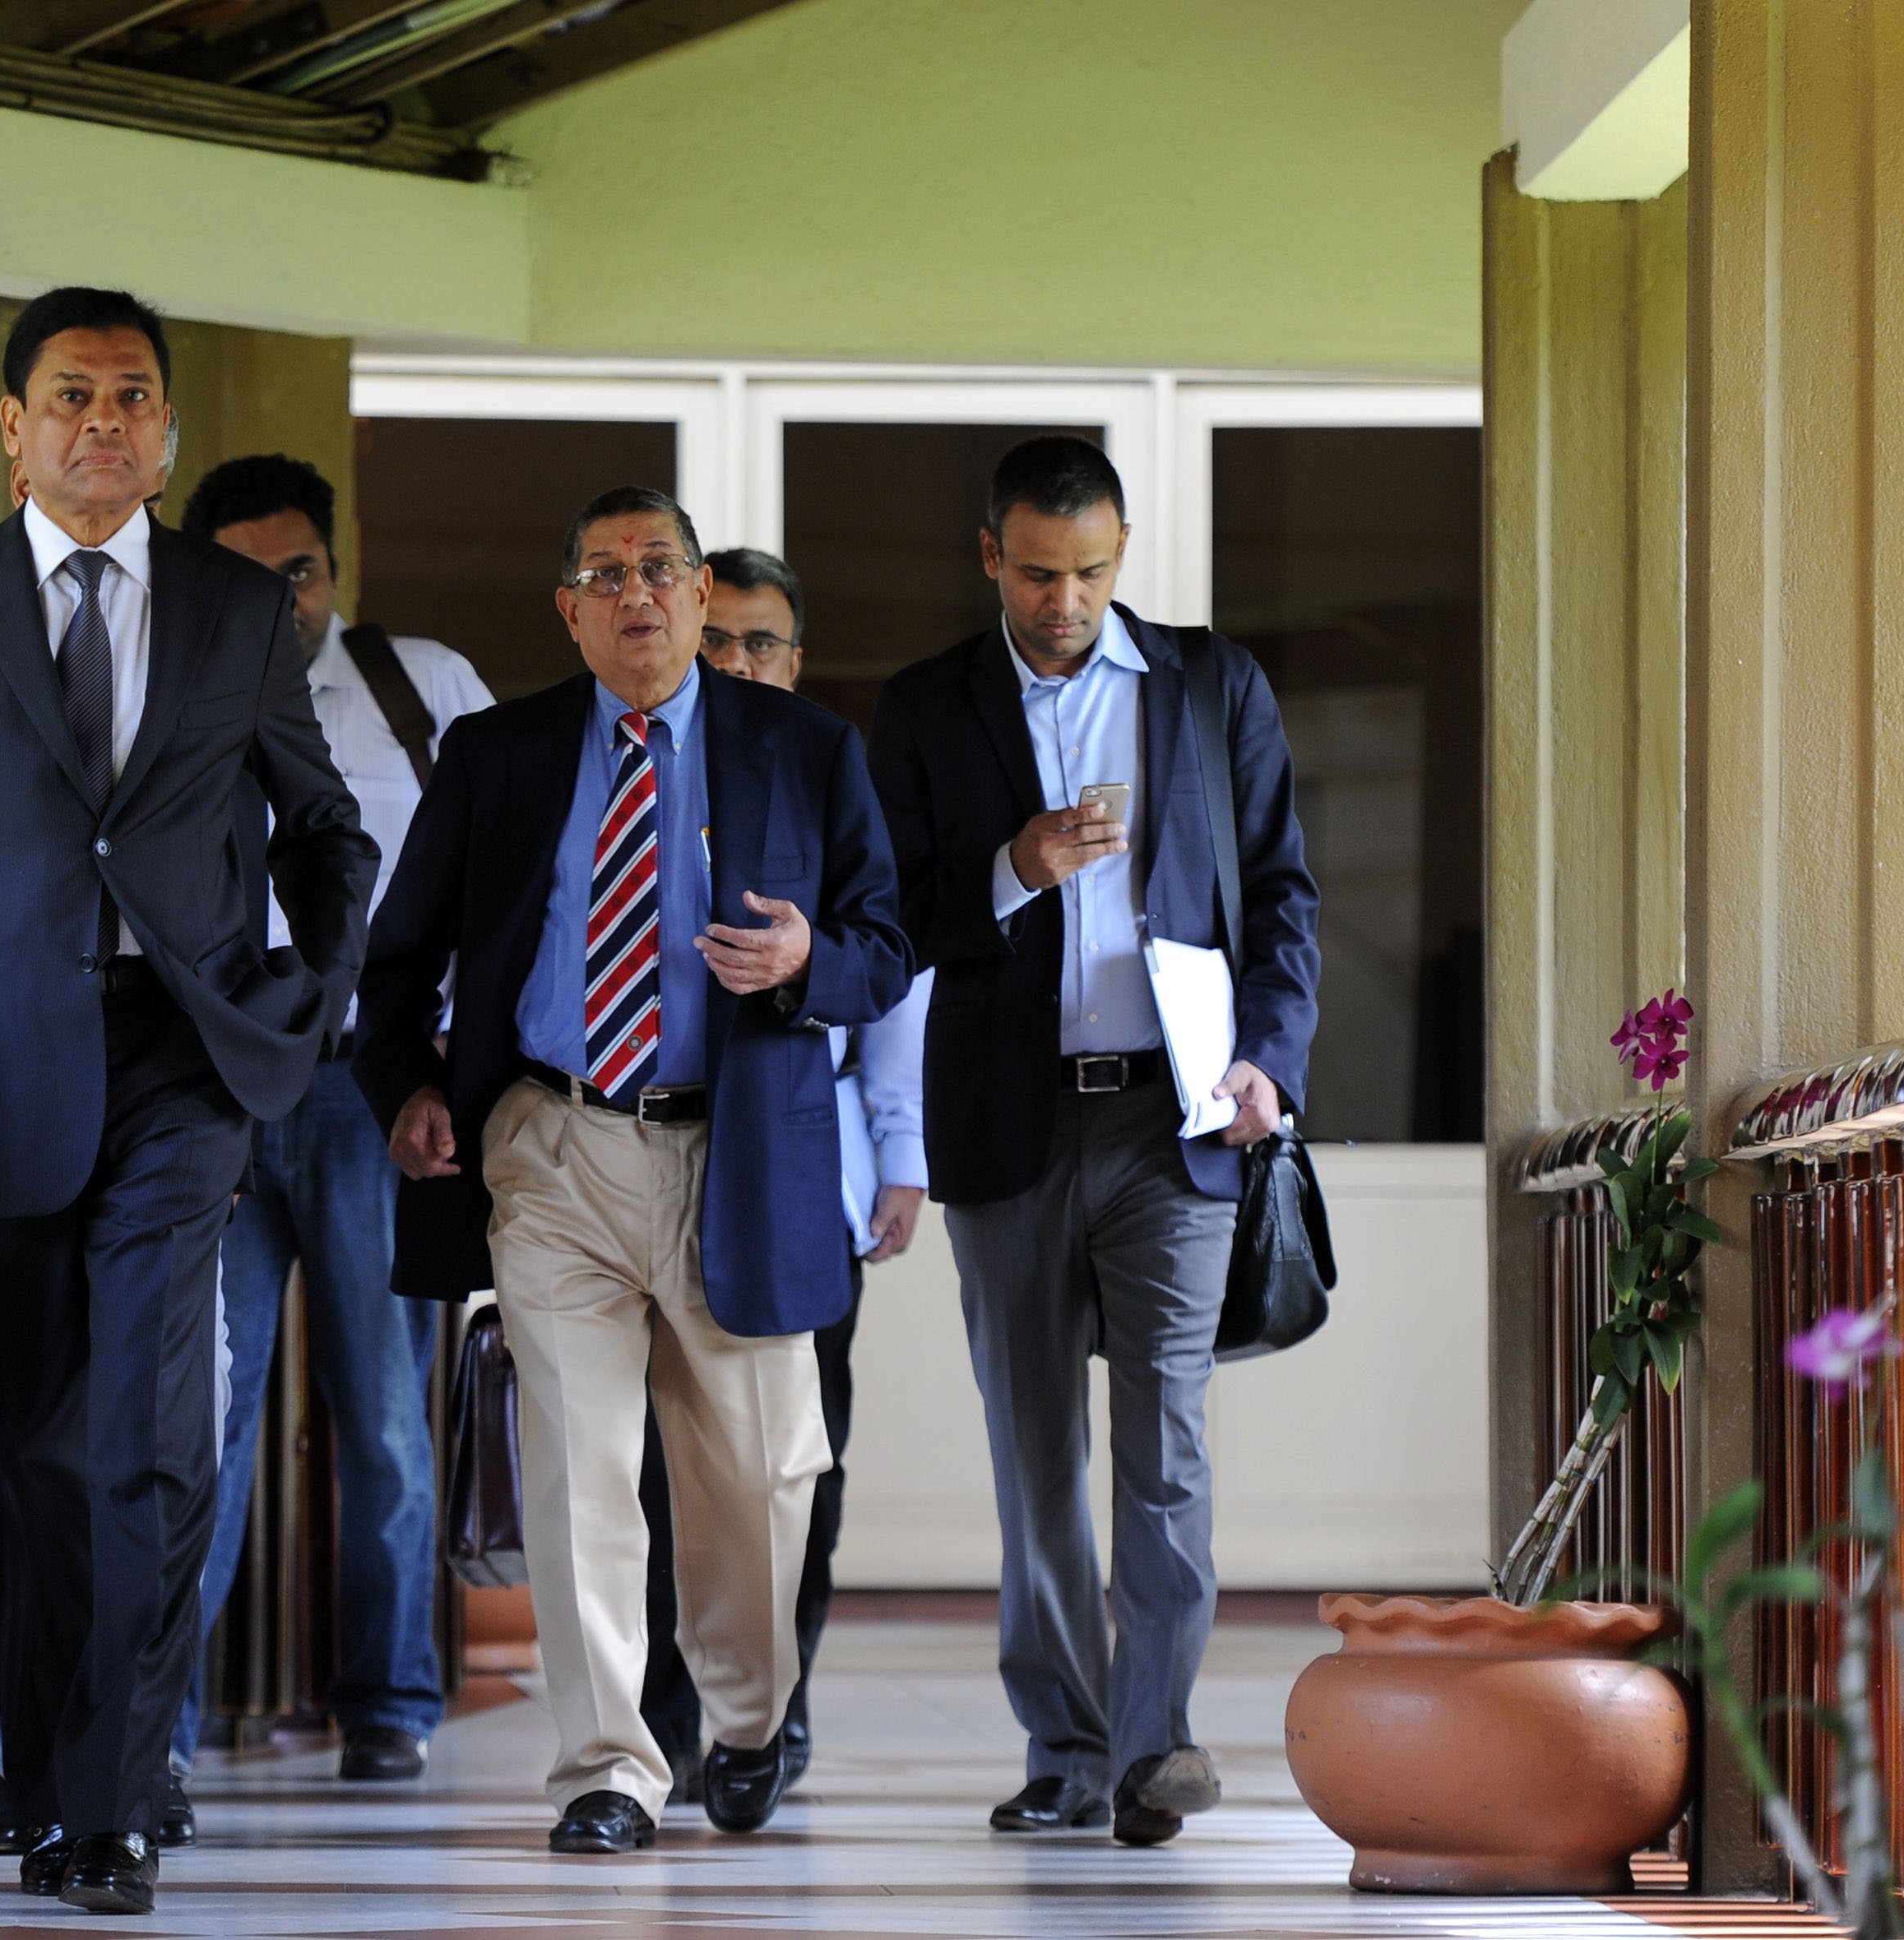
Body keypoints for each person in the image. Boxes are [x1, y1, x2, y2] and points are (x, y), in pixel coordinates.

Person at [0, 286, 377, 1915]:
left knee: (147, 1436)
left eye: (132, 397)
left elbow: (329, 837)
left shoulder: (234, 613)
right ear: (11, 426)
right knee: (15, 1455)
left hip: (180, 1069)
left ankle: (115, 1796)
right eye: (71, 396)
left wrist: (294, 1002)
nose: (103, 422)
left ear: (166, 430)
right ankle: (44, 1771)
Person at [354, 486, 910, 1856]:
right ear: (570, 611)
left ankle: (746, 1715)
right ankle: (608, 1764)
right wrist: (410, 1087)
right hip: (553, 1140)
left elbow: (885, 949)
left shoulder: (805, 746)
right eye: (606, 576)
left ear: (705, 590)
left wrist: (804, 967)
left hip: (741, 1151)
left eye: (661, 567)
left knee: (760, 1480)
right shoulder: (501, 752)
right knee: (580, 1466)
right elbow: (399, 950)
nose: (638, 594)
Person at [866, 436, 1318, 1849]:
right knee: (1037, 1449)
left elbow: (1282, 896)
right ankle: (1062, 1743)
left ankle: (1154, 1746)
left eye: (1095, 571)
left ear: (1122, 556)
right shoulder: (927, 705)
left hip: (1167, 1121)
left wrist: (1268, 1064)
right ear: (990, 556)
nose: (1070, 599)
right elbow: (889, 918)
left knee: (1166, 1440)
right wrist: (1018, 868)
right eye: (1043, 572)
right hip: (1005, 1123)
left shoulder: (1209, 683)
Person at [164, 454, 495, 1815]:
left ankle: (392, 1706)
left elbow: (501, 884)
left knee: (385, 1422)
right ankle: (164, 1717)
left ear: (334, 571)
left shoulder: (424, 689)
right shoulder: (164, 702)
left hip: (377, 1093)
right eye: (245, 575)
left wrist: (455, 1082)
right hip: (220, 1100)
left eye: (296, 570)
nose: (278, 597)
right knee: (205, 1420)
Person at [635, 548, 933, 1801]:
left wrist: (902, 1154)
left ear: (795, 660)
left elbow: (892, 967)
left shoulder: (821, 760)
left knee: (791, 1454)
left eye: (763, 645)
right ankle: (661, 1716)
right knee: (656, 1460)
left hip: (810, 1171)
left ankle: (774, 1701)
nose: (739, 664)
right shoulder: (654, 768)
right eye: (723, 644)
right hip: (643, 1154)